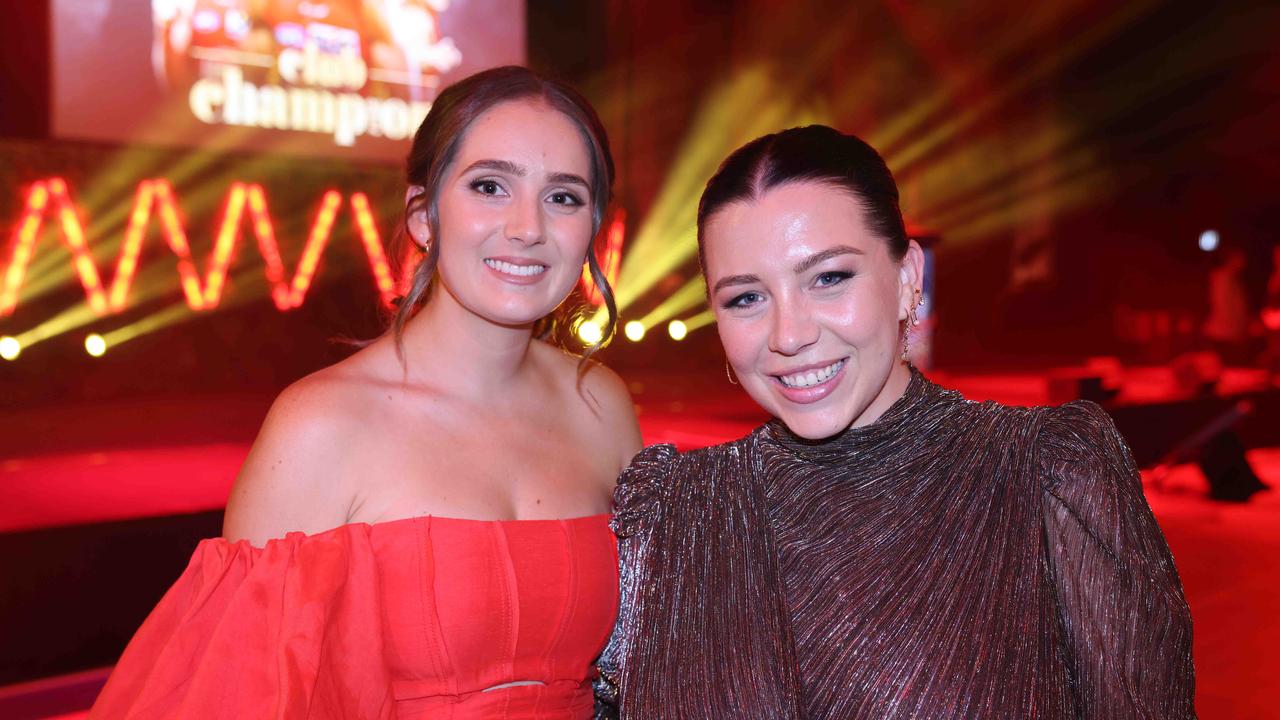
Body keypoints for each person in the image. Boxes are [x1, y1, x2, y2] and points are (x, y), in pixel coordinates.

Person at [91, 66, 641, 719]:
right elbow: (246, 693)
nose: (527, 227)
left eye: (564, 197)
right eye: (490, 186)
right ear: (423, 216)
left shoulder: (600, 406)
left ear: (592, 228)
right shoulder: (319, 426)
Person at [597, 125, 1196, 718]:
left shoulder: (1044, 476)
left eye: (829, 278)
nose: (789, 335)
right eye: (746, 298)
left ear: (908, 277)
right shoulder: (673, 513)